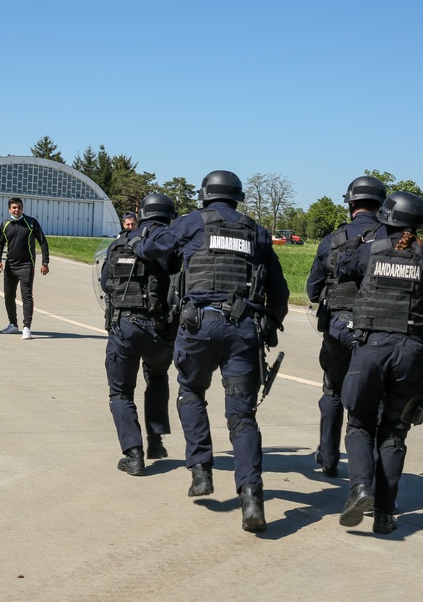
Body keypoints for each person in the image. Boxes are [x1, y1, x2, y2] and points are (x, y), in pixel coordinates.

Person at [133, 170, 289, 532]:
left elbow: (151, 249)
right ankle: (251, 495)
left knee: (190, 393)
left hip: (198, 327)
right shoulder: (256, 231)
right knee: (242, 417)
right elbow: (278, 289)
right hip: (243, 331)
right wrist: (271, 327)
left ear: (205, 195)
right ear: (237, 197)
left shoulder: (191, 223)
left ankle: (201, 471)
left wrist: (145, 232)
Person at [336, 191, 423, 534]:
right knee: (394, 431)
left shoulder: (368, 250)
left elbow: (342, 268)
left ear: (387, 218)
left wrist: (361, 238)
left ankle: (361, 489)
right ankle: (384, 513)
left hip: (370, 349)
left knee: (360, 423)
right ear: (420, 224)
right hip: (411, 355)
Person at [305, 176, 387, 477]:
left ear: (351, 204)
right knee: (373, 400)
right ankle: (371, 472)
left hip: (338, 324)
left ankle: (328, 456)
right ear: (381, 206)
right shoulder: (389, 239)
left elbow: (314, 289)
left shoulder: (333, 239)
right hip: (376, 329)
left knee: (332, 390)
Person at [101, 194, 181, 476]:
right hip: (160, 328)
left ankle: (134, 455)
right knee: (158, 376)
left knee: (121, 392)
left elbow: (104, 282)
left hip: (124, 327)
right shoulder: (172, 244)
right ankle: (156, 441)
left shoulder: (120, 243)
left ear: (142, 214)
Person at [0, 197, 50, 340]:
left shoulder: (31, 223)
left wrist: (45, 262)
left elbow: (43, 242)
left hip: (26, 265)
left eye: (19, 207)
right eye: (14, 207)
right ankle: (13, 324)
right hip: (10, 266)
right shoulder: (6, 224)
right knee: (9, 296)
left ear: (22, 208)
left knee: (26, 297)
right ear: (9, 209)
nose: (16, 210)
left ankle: (27, 327)